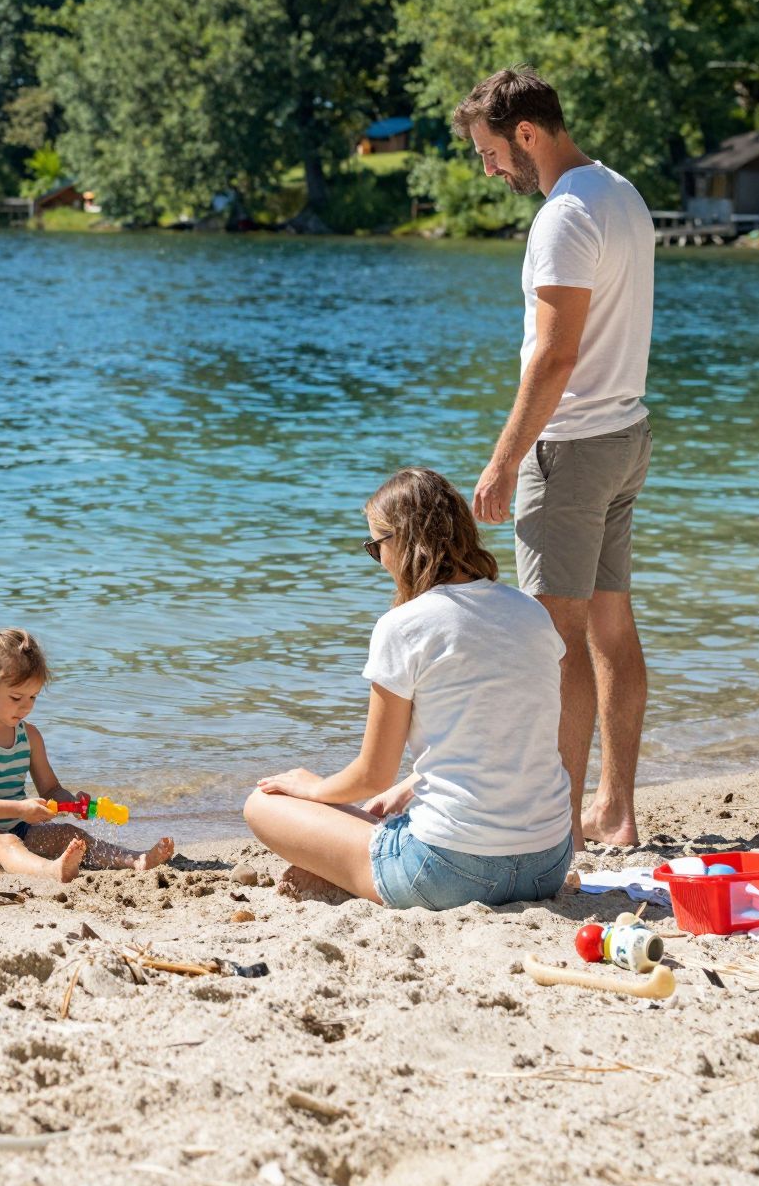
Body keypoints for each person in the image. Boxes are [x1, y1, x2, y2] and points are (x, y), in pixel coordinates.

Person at [455, 67, 655, 848]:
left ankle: (559, 826)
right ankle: (617, 808)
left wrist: (506, 459)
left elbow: (555, 356)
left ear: (527, 135)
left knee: (558, 640)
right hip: (624, 435)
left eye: (491, 152)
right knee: (610, 621)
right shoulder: (621, 194)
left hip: (570, 447)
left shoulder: (565, 215)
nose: (490, 168)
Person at [241, 469, 572, 909]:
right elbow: (506, 731)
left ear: (402, 542)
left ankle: (344, 871)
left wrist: (313, 788)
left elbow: (372, 774)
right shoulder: (531, 613)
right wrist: (414, 784)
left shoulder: (404, 626)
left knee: (261, 804)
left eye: (375, 547)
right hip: (547, 864)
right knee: (386, 809)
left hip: (449, 871)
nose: (379, 560)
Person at [0, 619, 175, 882]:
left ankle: (135, 859)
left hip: (18, 824)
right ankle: (50, 870)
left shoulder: (29, 736)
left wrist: (71, 803)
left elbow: (50, 790)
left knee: (70, 835)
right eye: (17, 698)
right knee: (4, 844)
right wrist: (20, 809)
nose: (26, 707)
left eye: (33, 697)